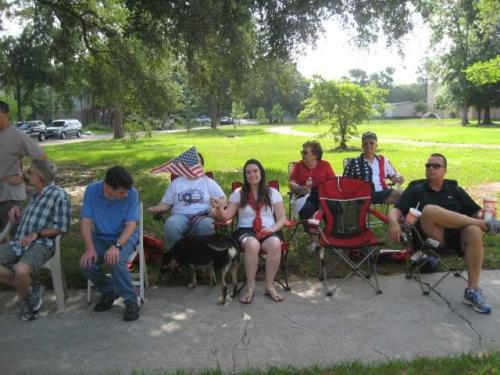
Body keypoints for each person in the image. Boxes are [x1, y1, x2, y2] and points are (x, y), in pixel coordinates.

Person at [388, 153, 500, 314]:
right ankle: (485, 226)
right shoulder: (416, 190)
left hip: (458, 238)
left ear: (445, 170)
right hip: (433, 239)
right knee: (430, 210)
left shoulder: (455, 190)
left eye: (436, 166)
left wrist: (486, 215)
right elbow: (396, 210)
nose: (431, 169)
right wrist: (393, 222)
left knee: (474, 230)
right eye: (428, 166)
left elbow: (476, 213)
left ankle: (472, 290)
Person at [0, 159, 71, 321]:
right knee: (20, 273)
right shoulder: (35, 193)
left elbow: (63, 227)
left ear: (39, 178)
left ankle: (25, 302)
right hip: (19, 242)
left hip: (41, 244)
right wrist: (18, 209)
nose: (26, 174)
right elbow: (34, 216)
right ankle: (31, 290)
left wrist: (38, 234)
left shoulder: (59, 196)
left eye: (30, 172)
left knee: (21, 270)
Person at [211, 159, 287, 304]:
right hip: (245, 230)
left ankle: (269, 286)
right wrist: (219, 208)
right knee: (252, 244)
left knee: (276, 244)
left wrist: (272, 229)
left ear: (261, 172)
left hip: (268, 229)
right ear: (245, 176)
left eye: (255, 171)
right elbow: (227, 216)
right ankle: (250, 287)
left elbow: (282, 218)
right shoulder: (239, 193)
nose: (252, 175)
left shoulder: (273, 193)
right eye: (248, 172)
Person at [80, 166, 140, 322]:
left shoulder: (131, 193)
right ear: (108, 187)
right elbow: (86, 222)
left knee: (116, 260)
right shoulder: (92, 191)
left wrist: (117, 246)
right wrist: (90, 248)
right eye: (121, 192)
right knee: (86, 263)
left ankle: (131, 300)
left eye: (126, 191)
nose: (125, 194)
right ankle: (109, 290)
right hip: (100, 237)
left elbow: (131, 225)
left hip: (124, 238)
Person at [148, 154, 226, 253]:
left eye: (197, 163)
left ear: (202, 166)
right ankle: (177, 257)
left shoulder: (208, 182)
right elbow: (166, 203)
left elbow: (223, 199)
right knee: (170, 225)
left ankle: (202, 256)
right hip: (181, 215)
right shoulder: (176, 183)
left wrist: (217, 206)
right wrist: (158, 208)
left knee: (207, 225)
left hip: (203, 215)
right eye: (190, 163)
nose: (194, 166)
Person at [0, 101, 46, 232]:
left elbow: (41, 157)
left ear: (6, 114)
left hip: (9, 195)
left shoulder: (17, 135)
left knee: (11, 232)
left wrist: (24, 178)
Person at [343, 131, 404, 204]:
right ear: (362, 146)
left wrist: (398, 177)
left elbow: (393, 176)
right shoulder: (354, 162)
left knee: (406, 195)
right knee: (402, 195)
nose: (368, 146)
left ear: (376, 145)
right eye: (366, 144)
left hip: (383, 192)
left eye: (371, 143)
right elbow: (345, 182)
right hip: (365, 195)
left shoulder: (383, 160)